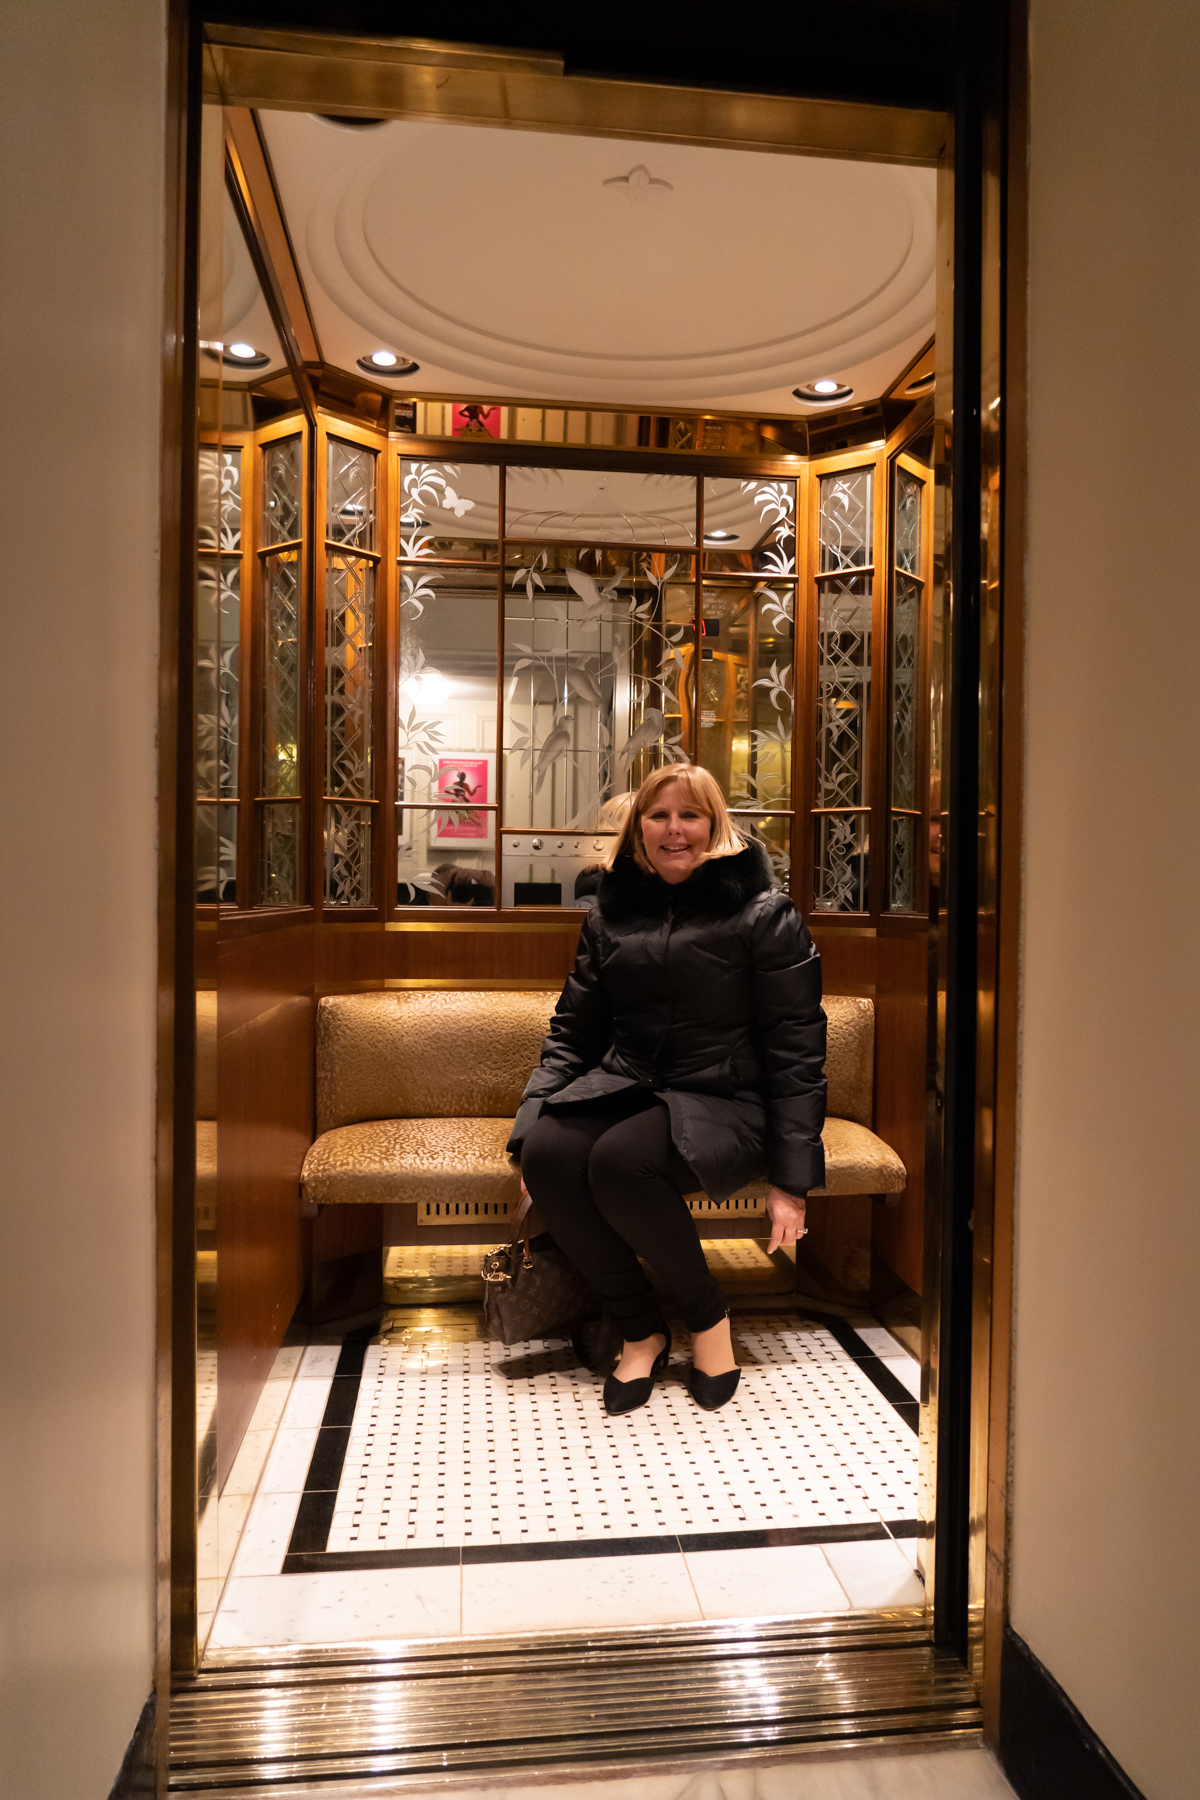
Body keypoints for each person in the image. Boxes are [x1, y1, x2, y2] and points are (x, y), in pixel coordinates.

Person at [509, 764, 826, 1416]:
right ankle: (639, 1328)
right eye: (659, 815)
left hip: (729, 1100)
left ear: (715, 826)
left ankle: (708, 1320)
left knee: (621, 1161)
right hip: (632, 1086)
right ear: (637, 829)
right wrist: (527, 1129)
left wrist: (792, 1181)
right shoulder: (609, 917)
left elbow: (797, 1048)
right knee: (548, 1155)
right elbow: (572, 1033)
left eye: (690, 815)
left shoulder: (764, 914)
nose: (674, 830)